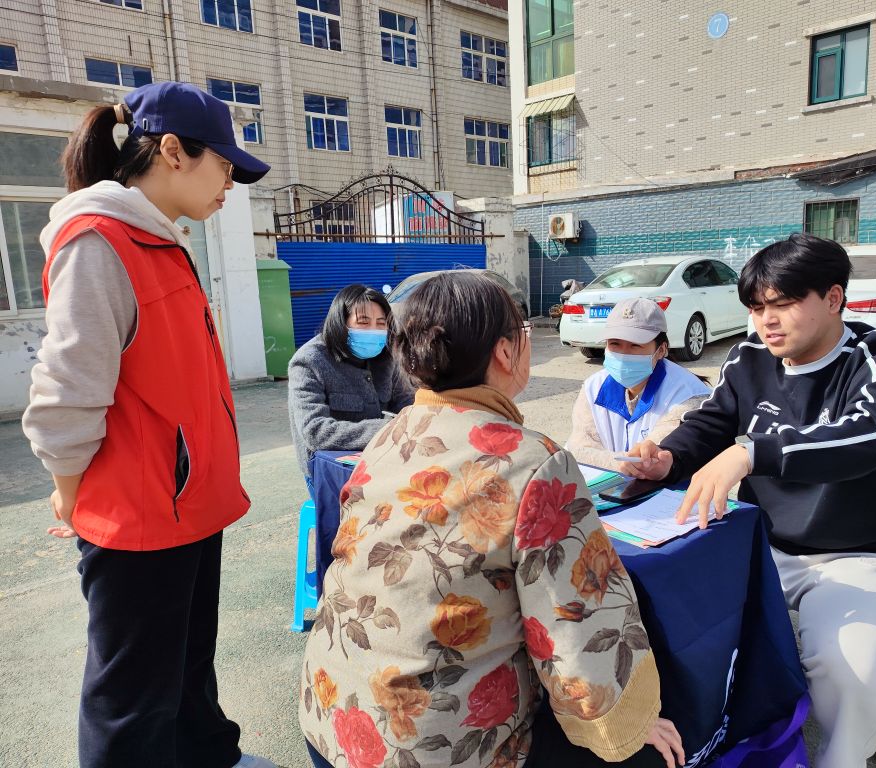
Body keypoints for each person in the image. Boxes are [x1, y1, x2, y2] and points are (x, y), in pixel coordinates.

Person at [299, 272, 685, 768]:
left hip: (329, 713)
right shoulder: (534, 460)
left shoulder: (388, 437)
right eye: (523, 333)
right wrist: (627, 720)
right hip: (430, 745)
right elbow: (577, 620)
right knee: (648, 751)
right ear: (505, 352)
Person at [21, 82, 274, 768]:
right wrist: (69, 491)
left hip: (186, 504)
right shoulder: (98, 241)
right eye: (224, 165)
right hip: (140, 516)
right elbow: (67, 390)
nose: (230, 183)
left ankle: (207, 754)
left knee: (188, 662)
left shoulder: (159, 239)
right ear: (172, 151)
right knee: (131, 696)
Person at [622, 233, 876, 768]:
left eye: (783, 304)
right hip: (756, 543)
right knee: (666, 615)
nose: (767, 321)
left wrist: (752, 452)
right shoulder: (749, 359)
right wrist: (667, 458)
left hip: (862, 554)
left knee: (856, 672)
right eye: (757, 307)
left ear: (833, 298)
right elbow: (712, 421)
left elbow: (873, 435)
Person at [288, 284, 415, 492]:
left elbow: (406, 403)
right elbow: (315, 431)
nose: (373, 331)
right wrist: (387, 429)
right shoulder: (309, 361)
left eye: (381, 323)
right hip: (332, 473)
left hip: (383, 461)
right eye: (363, 322)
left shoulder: (386, 356)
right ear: (341, 323)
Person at [565, 298, 709, 470]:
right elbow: (579, 449)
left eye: (635, 345)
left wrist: (611, 461)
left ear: (661, 350)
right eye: (615, 343)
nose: (623, 355)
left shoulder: (689, 395)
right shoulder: (592, 388)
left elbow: (654, 459)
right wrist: (620, 463)